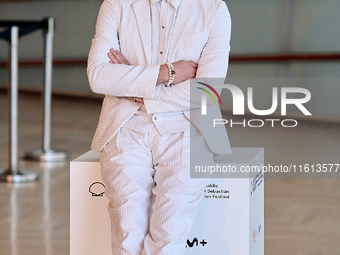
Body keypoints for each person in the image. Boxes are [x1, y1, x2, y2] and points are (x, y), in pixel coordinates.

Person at [87, 0, 232, 253]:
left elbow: (206, 90)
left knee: (169, 235)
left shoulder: (213, 8)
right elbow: (98, 76)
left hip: (190, 127)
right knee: (126, 232)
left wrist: (134, 86)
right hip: (125, 124)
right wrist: (168, 72)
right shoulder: (116, 4)